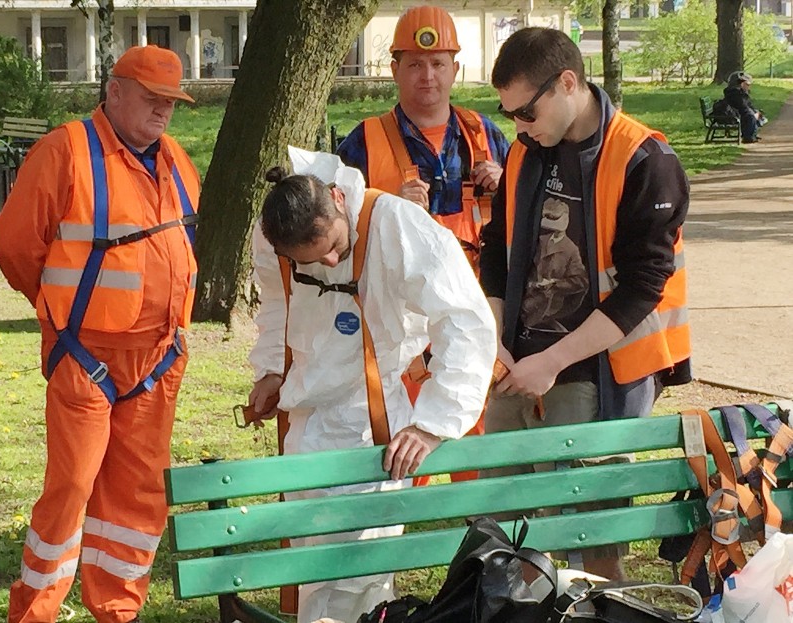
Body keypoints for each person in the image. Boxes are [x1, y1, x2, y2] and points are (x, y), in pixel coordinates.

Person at [0, 45, 199, 623]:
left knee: (137, 499)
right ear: (114, 91)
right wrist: (59, 310)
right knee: (71, 491)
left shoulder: (177, 159)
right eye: (151, 98)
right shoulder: (66, 150)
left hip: (158, 361)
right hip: (86, 359)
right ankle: (34, 613)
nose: (163, 112)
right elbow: (14, 245)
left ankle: (118, 610)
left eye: (171, 102)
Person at [248, 146, 496, 623]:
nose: (335, 259)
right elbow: (278, 300)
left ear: (339, 199)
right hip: (305, 421)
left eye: (336, 247)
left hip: (374, 422)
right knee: (312, 557)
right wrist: (273, 370)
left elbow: (466, 321)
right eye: (316, 260)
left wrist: (432, 424)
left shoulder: (397, 226)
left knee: (362, 569)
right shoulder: (273, 236)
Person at [479, 27, 691, 580]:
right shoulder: (526, 150)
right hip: (517, 364)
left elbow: (644, 286)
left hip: (595, 372)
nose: (518, 128)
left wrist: (550, 363)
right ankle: (516, 612)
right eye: (510, 116)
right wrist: (497, 338)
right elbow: (497, 250)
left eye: (525, 112)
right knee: (505, 527)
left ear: (566, 84)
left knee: (589, 533)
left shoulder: (646, 159)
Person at [336, 5, 509, 482]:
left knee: (475, 422)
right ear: (394, 70)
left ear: (455, 68)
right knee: (399, 436)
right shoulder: (363, 144)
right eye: (414, 64)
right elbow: (330, 236)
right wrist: (384, 205)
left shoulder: (485, 136)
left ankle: (479, 528)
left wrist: (508, 182)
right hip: (402, 322)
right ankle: (397, 519)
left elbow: (534, 219)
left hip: (472, 313)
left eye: (438, 64)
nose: (427, 75)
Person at [723, 71, 766, 143]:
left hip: (739, 112)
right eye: (747, 84)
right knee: (751, 116)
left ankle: (752, 134)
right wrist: (753, 113)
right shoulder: (734, 93)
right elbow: (742, 106)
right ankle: (748, 137)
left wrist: (755, 112)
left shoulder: (740, 93)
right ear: (740, 84)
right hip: (734, 115)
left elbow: (747, 104)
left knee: (755, 114)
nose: (748, 86)